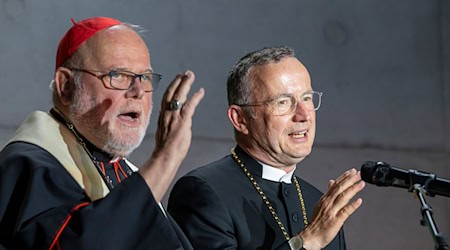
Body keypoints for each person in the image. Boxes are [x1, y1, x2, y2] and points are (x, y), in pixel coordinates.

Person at [0, 16, 204, 249]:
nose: (137, 91)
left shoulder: (123, 170)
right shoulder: (27, 165)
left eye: (145, 77)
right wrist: (165, 158)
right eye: (117, 75)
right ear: (66, 86)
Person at [168, 46, 365, 250]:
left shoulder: (318, 204)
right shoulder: (203, 192)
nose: (304, 115)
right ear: (240, 119)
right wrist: (307, 241)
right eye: (283, 102)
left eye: (307, 98)